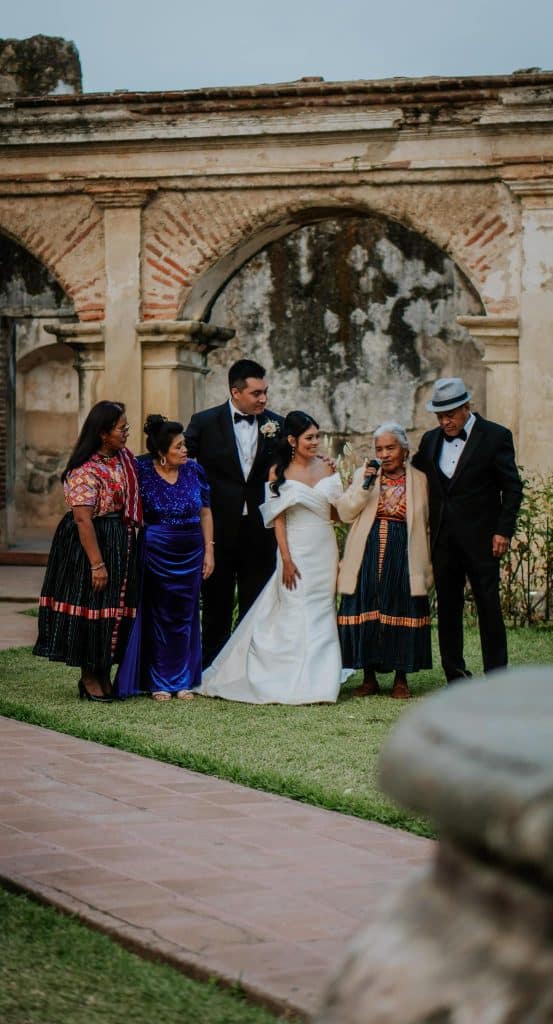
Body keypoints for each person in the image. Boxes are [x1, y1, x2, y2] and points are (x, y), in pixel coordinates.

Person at [198, 411, 344, 704]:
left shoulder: (328, 469)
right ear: (292, 440)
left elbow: (336, 513)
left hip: (324, 545)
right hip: (296, 547)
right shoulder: (278, 472)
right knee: (295, 605)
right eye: (309, 438)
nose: (315, 442)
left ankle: (322, 679)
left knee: (322, 609)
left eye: (317, 436)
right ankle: (288, 675)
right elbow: (278, 520)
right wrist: (286, 559)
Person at [411, 377, 523, 683]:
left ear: (466, 407)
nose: (444, 422)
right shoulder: (431, 440)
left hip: (483, 540)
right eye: (439, 416)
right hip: (443, 541)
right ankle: (455, 675)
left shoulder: (496, 436)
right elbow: (413, 475)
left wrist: (503, 530)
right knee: (448, 609)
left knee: (489, 607)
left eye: (450, 415)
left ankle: (497, 675)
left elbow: (512, 488)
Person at [33, 401, 141, 702]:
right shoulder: (85, 469)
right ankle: (89, 677)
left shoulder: (123, 460)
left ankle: (104, 671)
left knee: (115, 607)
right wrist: (97, 564)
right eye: (122, 428)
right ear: (104, 433)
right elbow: (82, 518)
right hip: (91, 543)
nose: (126, 433)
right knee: (93, 604)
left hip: (119, 540)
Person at [185, 359, 283, 667]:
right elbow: (180, 460)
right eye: (256, 393)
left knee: (257, 600)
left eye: (265, 392)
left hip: (260, 530)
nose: (263, 399)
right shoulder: (203, 422)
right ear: (235, 392)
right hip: (218, 530)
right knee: (216, 600)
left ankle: (250, 665)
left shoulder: (276, 424)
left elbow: (291, 467)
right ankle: (212, 665)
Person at [114, 415, 214, 701]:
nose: (185, 451)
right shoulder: (141, 469)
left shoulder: (195, 471)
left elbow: (206, 512)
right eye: (179, 447)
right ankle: (157, 680)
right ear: (161, 452)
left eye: (185, 446)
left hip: (191, 549)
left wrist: (210, 550)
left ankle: (183, 679)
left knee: (186, 615)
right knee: (158, 614)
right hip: (156, 550)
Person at [337, 423, 433, 699]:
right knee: (367, 605)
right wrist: (365, 485)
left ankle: (401, 677)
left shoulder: (419, 480)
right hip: (367, 550)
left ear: (405, 450)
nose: (385, 454)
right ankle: (368, 678)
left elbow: (426, 522)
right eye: (379, 449)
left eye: (390, 448)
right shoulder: (364, 476)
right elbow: (345, 512)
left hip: (404, 550)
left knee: (401, 605)